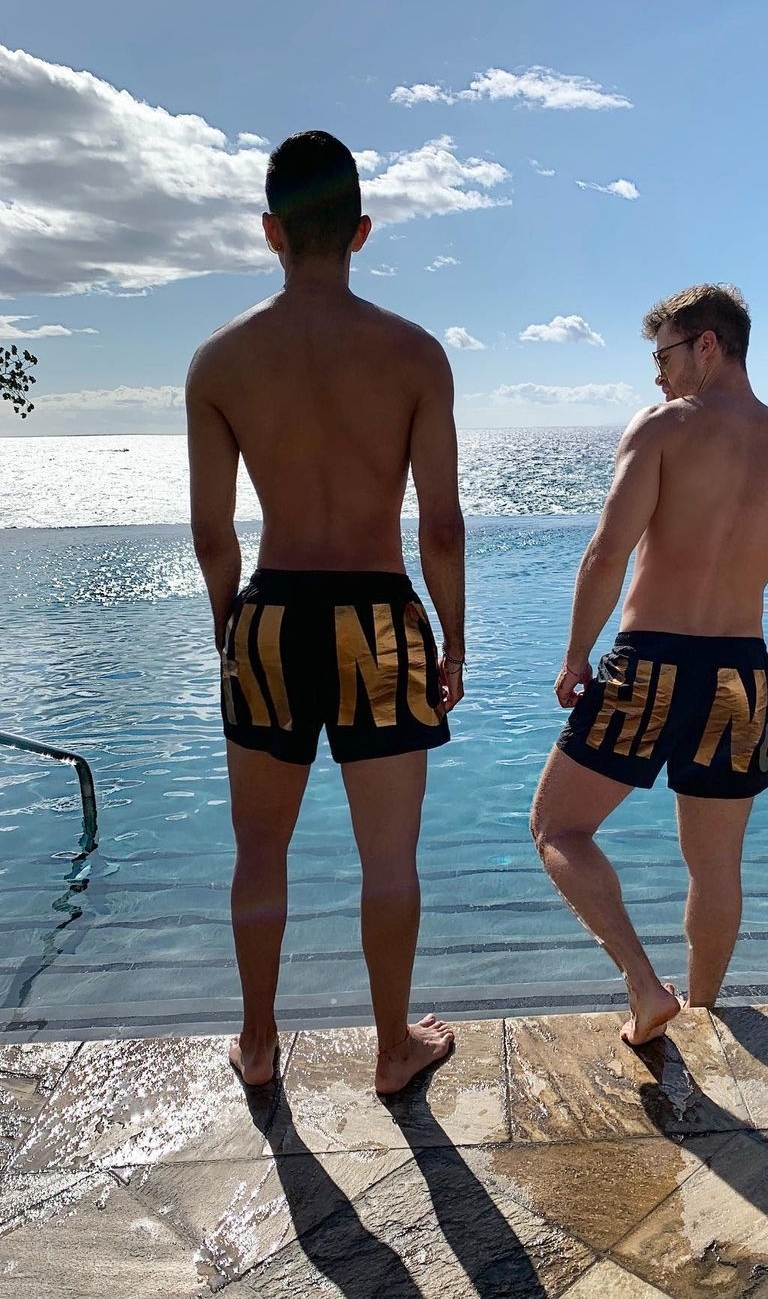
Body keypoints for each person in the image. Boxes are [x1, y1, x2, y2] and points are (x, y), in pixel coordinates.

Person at [187, 131, 465, 1094]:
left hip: (269, 616)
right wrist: (454, 640)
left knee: (259, 854)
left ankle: (259, 1042)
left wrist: (229, 628)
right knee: (388, 860)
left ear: (270, 231)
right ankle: (392, 1048)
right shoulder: (415, 355)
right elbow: (442, 527)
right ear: (361, 231)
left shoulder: (220, 361)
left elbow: (212, 534)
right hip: (380, 621)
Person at [530, 283, 768, 1047]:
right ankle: (703, 1014)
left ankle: (646, 988)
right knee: (716, 866)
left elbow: (607, 554)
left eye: (664, 355)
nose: (658, 374)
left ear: (707, 345)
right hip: (742, 677)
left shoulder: (663, 428)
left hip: (652, 663)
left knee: (557, 829)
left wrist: (575, 654)